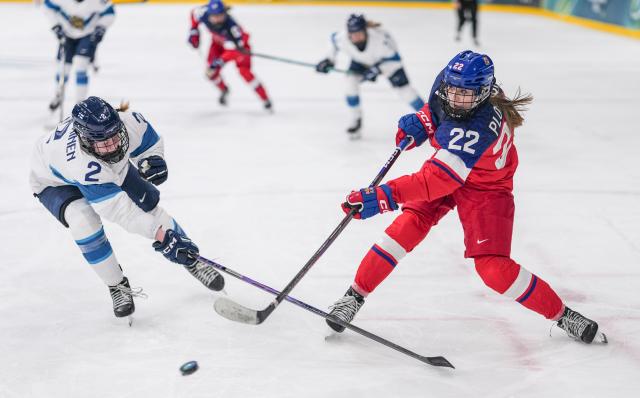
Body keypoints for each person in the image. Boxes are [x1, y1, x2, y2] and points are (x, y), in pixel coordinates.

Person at [326, 51, 606, 345]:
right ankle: (354, 297)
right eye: (454, 91)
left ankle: (563, 315)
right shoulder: (450, 83)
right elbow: (434, 111)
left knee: (493, 270)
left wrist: (383, 197)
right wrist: (422, 122)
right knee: (409, 224)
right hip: (454, 165)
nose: (457, 98)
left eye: (466, 94)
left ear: (484, 93)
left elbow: (435, 181)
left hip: (487, 187)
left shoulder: (478, 127)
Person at [30, 96, 225, 320]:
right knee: (84, 222)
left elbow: (150, 143)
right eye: (104, 142)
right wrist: (162, 236)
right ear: (85, 140)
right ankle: (116, 285)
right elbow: (121, 211)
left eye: (115, 136)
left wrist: (153, 158)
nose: (113, 145)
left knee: (149, 203)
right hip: (53, 183)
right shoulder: (80, 164)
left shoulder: (128, 121)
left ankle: (192, 259)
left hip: (106, 168)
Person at [315, 14, 424, 139]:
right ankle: (355, 119)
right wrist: (328, 60)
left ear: (366, 31)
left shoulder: (380, 38)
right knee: (350, 84)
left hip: (386, 63)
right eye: (353, 34)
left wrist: (377, 69)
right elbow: (333, 41)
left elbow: (395, 60)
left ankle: (431, 118)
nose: (356, 37)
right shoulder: (342, 37)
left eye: (359, 33)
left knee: (406, 92)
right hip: (360, 62)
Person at [188, 0, 272, 110]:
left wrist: (219, 61)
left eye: (220, 15)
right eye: (214, 16)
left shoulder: (233, 28)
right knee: (211, 72)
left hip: (240, 49)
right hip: (219, 43)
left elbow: (233, 51)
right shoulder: (202, 13)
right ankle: (224, 89)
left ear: (225, 13)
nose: (217, 19)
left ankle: (265, 98)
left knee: (245, 72)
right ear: (208, 14)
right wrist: (194, 31)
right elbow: (194, 13)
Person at [44, 0, 115, 111]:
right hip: (66, 35)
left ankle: (81, 103)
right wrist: (55, 25)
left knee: (81, 66)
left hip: (87, 34)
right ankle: (58, 94)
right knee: (64, 68)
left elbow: (109, 13)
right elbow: (48, 7)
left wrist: (101, 28)